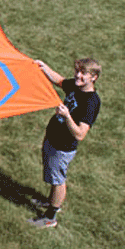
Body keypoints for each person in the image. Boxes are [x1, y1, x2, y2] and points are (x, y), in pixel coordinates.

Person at [30, 58, 101, 228]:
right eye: (77, 71)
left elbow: (80, 134)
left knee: (57, 180)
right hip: (52, 139)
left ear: (94, 77)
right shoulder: (76, 86)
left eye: (83, 73)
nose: (78, 75)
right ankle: (50, 201)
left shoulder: (91, 102)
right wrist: (44, 67)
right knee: (53, 176)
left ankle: (50, 217)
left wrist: (67, 116)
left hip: (62, 147)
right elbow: (59, 81)